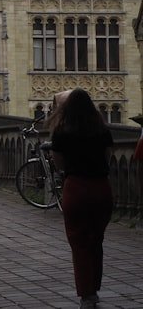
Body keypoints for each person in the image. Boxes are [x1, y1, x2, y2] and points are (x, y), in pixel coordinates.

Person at [48, 88, 113, 309]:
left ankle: (87, 294)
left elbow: (59, 164)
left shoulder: (61, 132)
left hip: (76, 188)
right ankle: (94, 288)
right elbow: (108, 158)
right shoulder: (102, 130)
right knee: (97, 240)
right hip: (100, 187)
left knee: (79, 242)